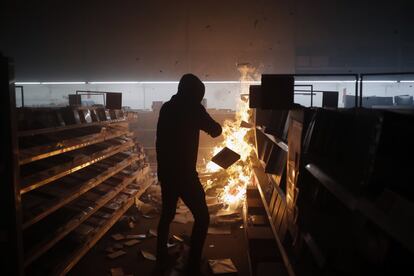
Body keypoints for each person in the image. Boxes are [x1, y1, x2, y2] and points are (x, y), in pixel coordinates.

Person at [155, 74, 222, 275]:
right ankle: (193, 262)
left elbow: (160, 142)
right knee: (202, 218)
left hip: (166, 172)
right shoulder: (194, 108)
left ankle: (161, 256)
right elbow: (215, 130)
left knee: (167, 215)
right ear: (194, 93)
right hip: (185, 174)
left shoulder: (167, 108)